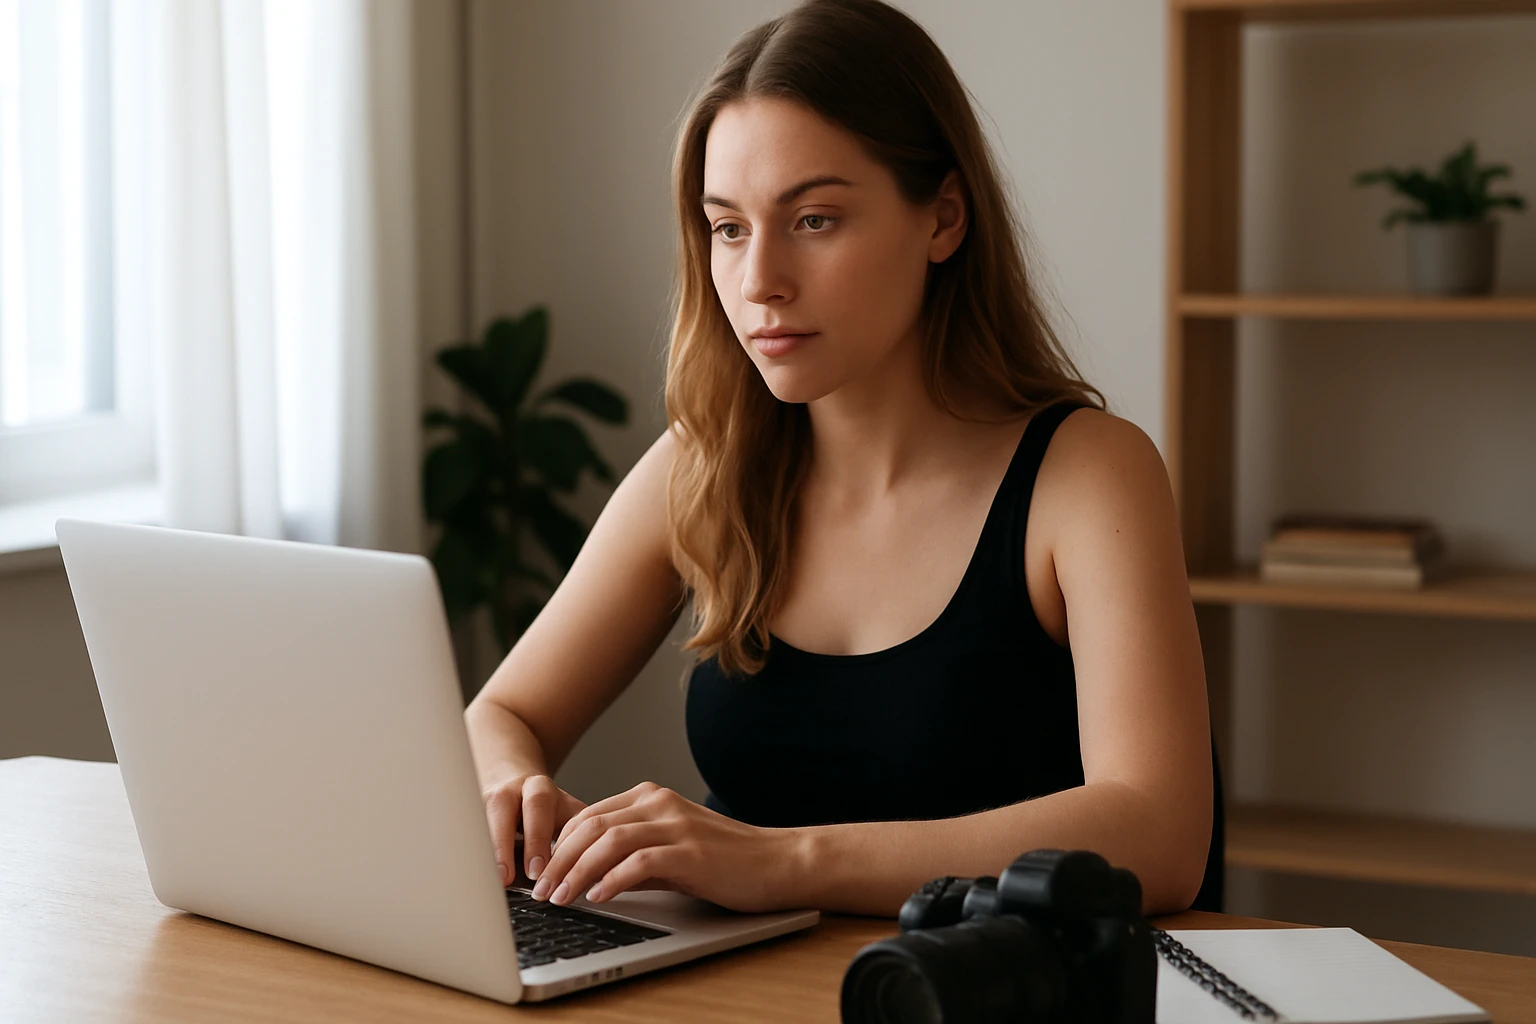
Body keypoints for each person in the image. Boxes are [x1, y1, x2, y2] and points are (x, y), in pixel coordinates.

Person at [463, 0, 1220, 920]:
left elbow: (1163, 832)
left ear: (943, 218)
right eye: (729, 228)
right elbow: (501, 717)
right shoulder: (703, 465)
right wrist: (515, 788)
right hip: (743, 993)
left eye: (814, 220)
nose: (758, 282)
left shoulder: (1087, 475)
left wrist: (783, 861)